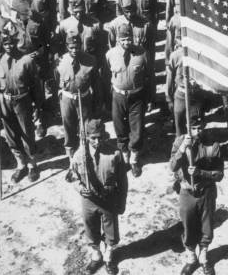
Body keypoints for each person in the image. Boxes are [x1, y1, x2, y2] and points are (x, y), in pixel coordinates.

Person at [71, 118, 128, 275]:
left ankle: (109, 256)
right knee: (90, 228)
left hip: (109, 199)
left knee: (111, 231)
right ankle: (96, 256)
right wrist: (80, 189)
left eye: (100, 137)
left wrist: (122, 202)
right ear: (86, 137)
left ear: (105, 135)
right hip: (88, 200)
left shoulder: (115, 153)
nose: (97, 141)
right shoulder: (79, 155)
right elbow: (73, 177)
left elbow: (123, 181)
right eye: (93, 138)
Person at [0, 30, 44, 183]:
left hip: (23, 101)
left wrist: (37, 107)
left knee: (27, 134)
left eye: (11, 42)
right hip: (4, 103)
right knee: (11, 135)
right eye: (5, 43)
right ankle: (21, 165)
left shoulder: (26, 61)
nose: (9, 46)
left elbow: (36, 86)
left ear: (16, 42)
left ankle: (32, 165)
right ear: (1, 44)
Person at [169, 116, 223, 275]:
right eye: (193, 128)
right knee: (188, 224)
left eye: (200, 128)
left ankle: (204, 256)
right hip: (187, 191)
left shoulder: (213, 144)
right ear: (187, 127)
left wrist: (202, 173)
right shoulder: (180, 142)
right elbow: (172, 166)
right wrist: (181, 149)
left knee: (207, 225)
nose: (197, 131)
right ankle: (191, 257)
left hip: (206, 191)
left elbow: (219, 175)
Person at [103, 23, 152, 177]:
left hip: (137, 96)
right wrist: (106, 99)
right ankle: (125, 157)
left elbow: (150, 76)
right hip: (118, 96)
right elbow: (105, 78)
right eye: (123, 40)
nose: (126, 43)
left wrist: (150, 98)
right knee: (119, 128)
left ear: (133, 37)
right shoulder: (110, 55)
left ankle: (134, 160)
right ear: (117, 39)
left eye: (129, 39)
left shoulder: (142, 53)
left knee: (137, 129)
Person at [56, 34, 102, 182]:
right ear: (67, 47)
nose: (74, 50)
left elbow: (96, 84)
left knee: (85, 129)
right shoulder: (60, 61)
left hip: (84, 99)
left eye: (77, 47)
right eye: (71, 47)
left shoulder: (90, 60)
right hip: (67, 99)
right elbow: (55, 81)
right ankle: (72, 164)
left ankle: (86, 161)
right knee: (69, 131)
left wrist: (97, 104)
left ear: (80, 46)